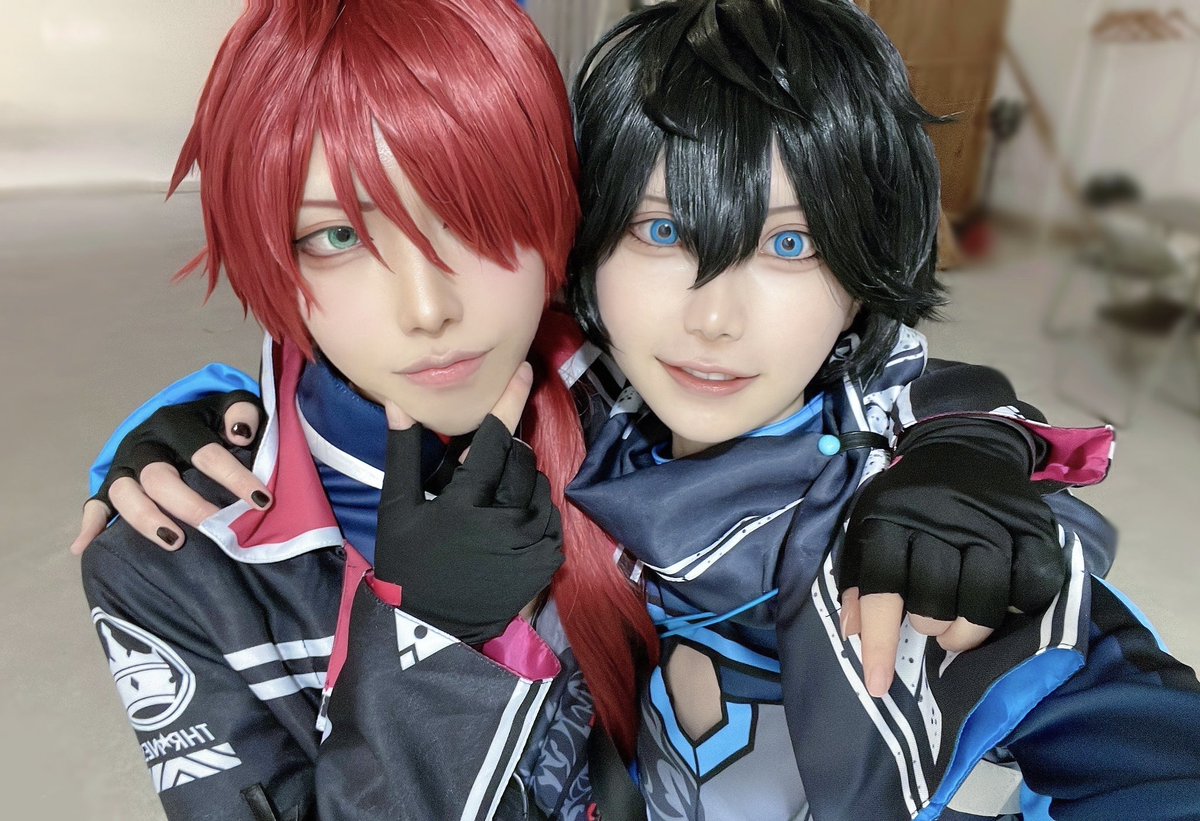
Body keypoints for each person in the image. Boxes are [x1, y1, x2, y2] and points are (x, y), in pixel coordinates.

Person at [76, 0, 1106, 818]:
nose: (428, 309)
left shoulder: (624, 389)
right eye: (336, 236)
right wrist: (430, 644)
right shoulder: (171, 554)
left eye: (473, 216)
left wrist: (966, 445)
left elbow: (850, 369)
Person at [555, 1, 1200, 818]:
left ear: (862, 281)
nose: (713, 318)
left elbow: (1154, 754)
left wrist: (970, 454)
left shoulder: (900, 526)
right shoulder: (569, 434)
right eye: (662, 230)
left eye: (789, 243)